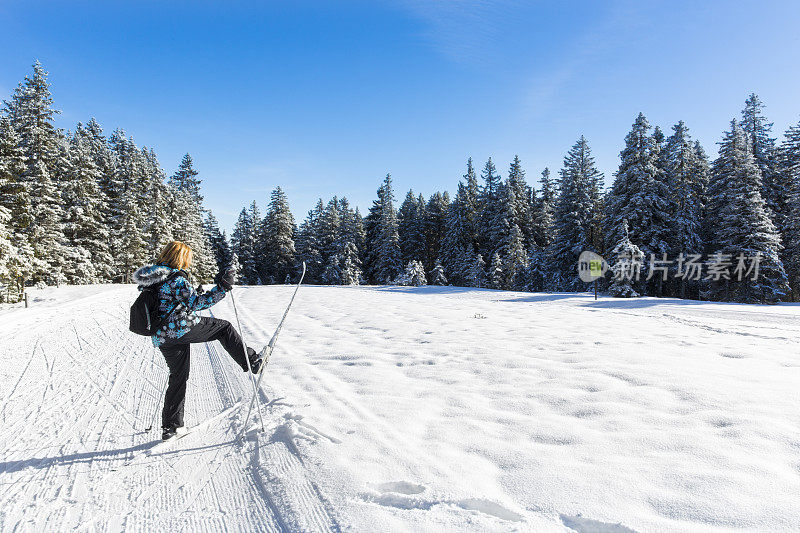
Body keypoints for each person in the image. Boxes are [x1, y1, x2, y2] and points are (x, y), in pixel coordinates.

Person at [132, 241, 262, 440]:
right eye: (188, 258)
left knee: (178, 376)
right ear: (180, 258)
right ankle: (252, 361)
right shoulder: (176, 277)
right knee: (224, 328)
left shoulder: (154, 277)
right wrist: (222, 288)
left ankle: (172, 427)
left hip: (161, 335)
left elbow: (167, 302)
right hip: (179, 328)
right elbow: (196, 304)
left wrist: (193, 294)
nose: (189, 262)